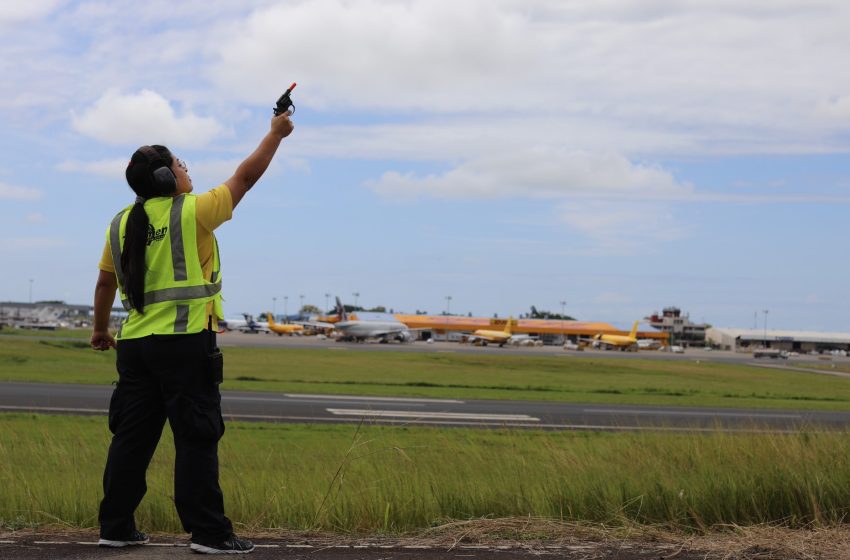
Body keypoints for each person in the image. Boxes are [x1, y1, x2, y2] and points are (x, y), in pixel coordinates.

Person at [90, 111, 294, 554]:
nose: (187, 170)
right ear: (166, 177)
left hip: (135, 346)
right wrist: (275, 134)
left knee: (131, 438)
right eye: (181, 164)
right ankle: (209, 533)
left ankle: (116, 526)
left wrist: (100, 329)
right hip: (184, 344)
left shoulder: (119, 223)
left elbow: (106, 282)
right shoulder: (195, 211)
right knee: (196, 438)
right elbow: (246, 176)